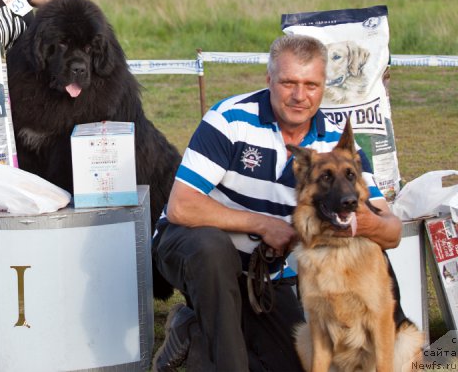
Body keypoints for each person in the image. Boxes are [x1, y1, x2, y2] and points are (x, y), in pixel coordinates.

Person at [151, 35, 402, 371]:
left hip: (265, 275)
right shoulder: (230, 119)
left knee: (294, 361)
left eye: (311, 84)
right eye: (288, 83)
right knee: (212, 250)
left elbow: (391, 230)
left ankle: (191, 331)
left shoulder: (339, 149)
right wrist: (263, 224)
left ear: (324, 85)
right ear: (269, 79)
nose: (300, 95)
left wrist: (368, 223)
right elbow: (183, 207)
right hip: (192, 249)